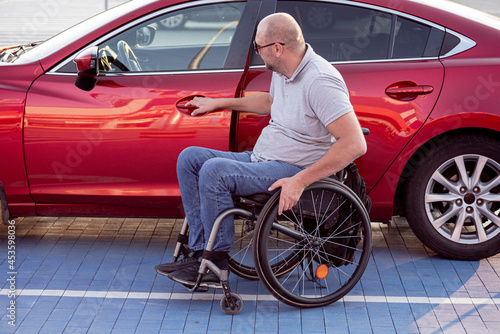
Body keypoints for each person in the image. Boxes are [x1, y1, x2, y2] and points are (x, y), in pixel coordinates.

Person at [155, 12, 367, 288]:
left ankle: (215, 260)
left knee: (214, 171)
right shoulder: (285, 70)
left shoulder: (321, 81)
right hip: (262, 160)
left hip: (292, 168)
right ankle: (198, 253)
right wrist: (218, 103)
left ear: (277, 48)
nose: (256, 52)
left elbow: (354, 144)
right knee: (190, 159)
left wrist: (299, 181)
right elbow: (270, 102)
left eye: (258, 47)